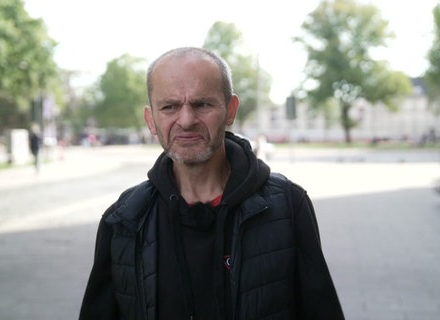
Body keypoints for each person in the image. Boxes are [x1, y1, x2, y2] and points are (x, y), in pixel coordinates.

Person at [79, 47, 344, 320]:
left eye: (202, 104)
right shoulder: (124, 220)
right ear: (151, 120)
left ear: (230, 110)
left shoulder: (287, 207)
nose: (186, 120)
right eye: (169, 106)